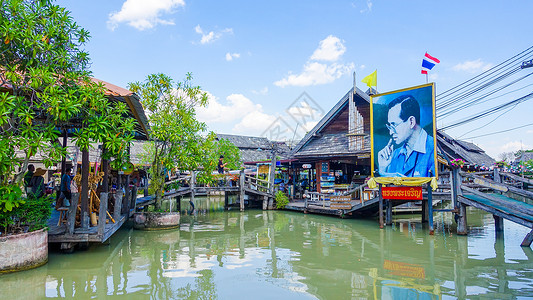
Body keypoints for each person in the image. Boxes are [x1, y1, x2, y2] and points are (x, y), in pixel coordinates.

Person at [377, 95, 435, 177]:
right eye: (389, 127)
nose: (390, 132)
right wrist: (383, 169)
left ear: (411, 122)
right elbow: (389, 187)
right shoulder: (394, 154)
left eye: (394, 125)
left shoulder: (433, 149)